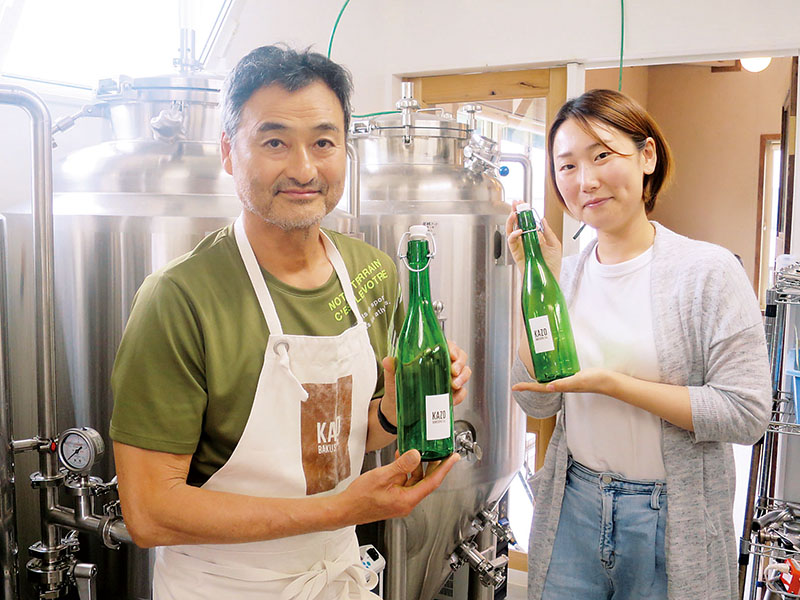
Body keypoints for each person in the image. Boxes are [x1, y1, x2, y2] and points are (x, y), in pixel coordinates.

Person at [109, 45, 471, 600]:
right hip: (225, 587)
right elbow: (149, 511)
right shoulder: (179, 298)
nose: (304, 169)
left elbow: (347, 436)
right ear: (229, 151)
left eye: (324, 142)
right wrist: (339, 509)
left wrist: (396, 412)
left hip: (339, 574)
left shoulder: (371, 272)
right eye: (274, 142)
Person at [507, 88, 771, 600]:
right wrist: (537, 278)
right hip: (574, 504)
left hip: (669, 515)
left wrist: (613, 385)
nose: (585, 180)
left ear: (646, 156)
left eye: (602, 155)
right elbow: (536, 401)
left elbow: (746, 413)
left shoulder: (708, 272)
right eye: (567, 166)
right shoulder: (567, 274)